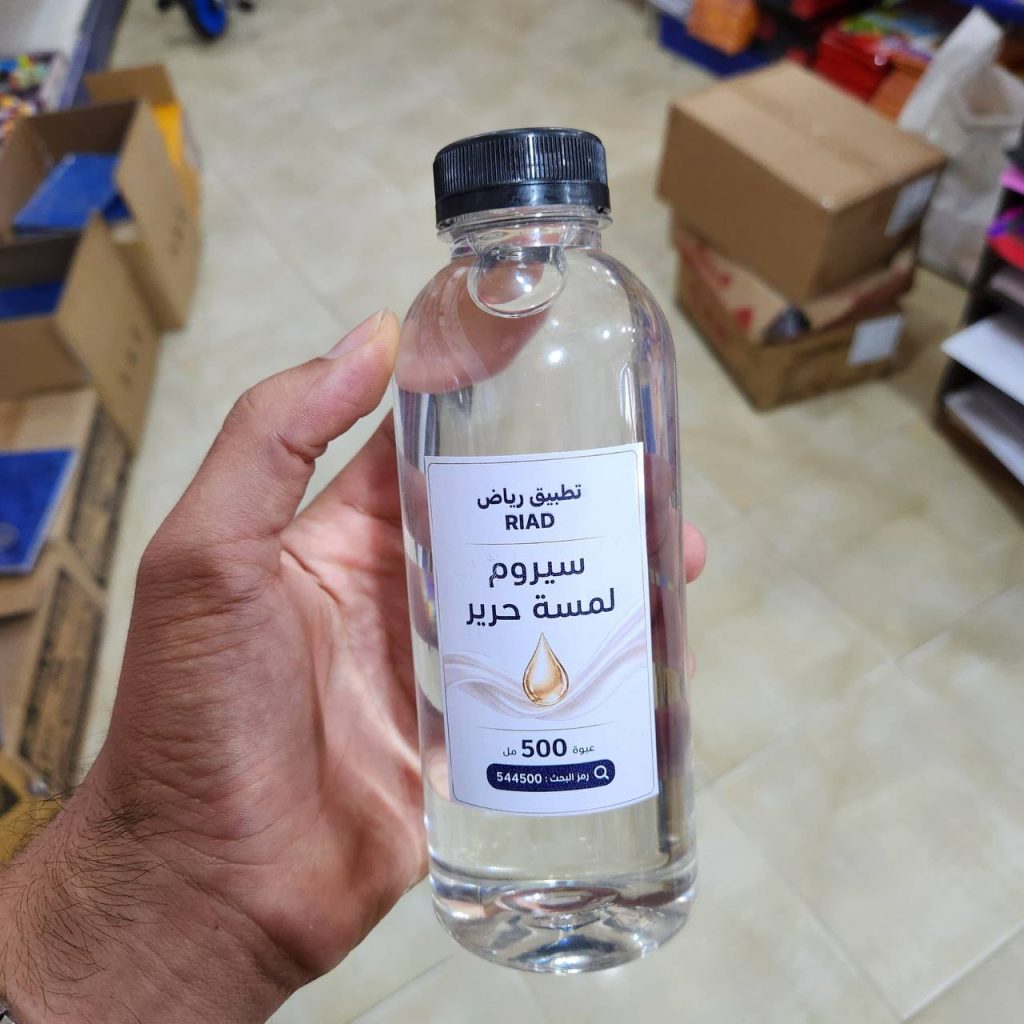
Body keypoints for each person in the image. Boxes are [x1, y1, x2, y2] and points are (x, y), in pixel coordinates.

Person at [0, 312, 706, 1023]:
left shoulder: (617, 316)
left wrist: (183, 901)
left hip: (625, 878)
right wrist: (188, 875)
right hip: (489, 879)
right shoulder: (456, 320)